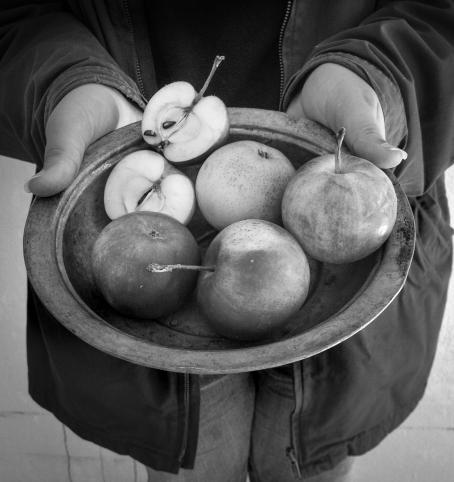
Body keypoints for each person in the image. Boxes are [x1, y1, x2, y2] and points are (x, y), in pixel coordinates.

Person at [1, 1, 453, 480]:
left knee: (308, 462)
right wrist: (64, 79)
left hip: (343, 254)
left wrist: (383, 75)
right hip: (155, 272)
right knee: (192, 461)